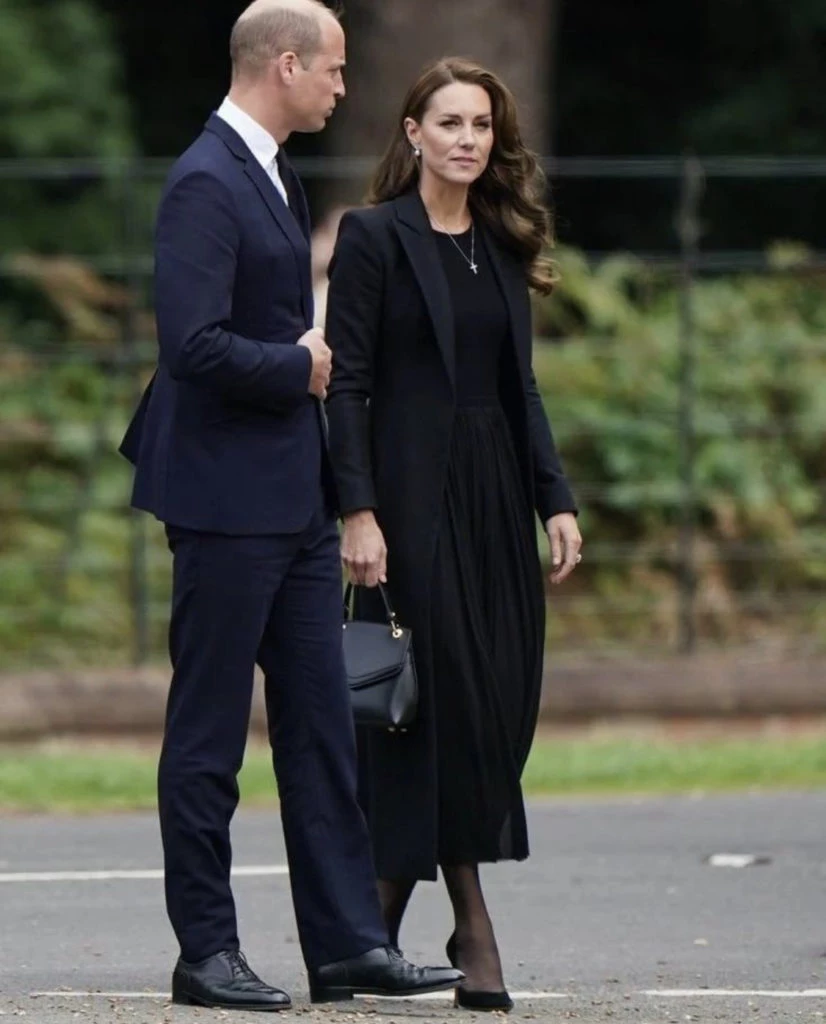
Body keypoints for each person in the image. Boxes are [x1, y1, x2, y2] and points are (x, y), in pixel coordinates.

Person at [118, 1, 462, 1011]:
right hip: (224, 503)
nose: (345, 88)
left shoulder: (268, 167)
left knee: (322, 725)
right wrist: (302, 362)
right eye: (336, 71)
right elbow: (190, 346)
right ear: (285, 63)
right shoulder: (203, 181)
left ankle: (349, 942)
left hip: (293, 503)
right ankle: (206, 951)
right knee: (209, 735)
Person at [325, 57, 583, 1012]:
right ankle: (472, 926)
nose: (468, 139)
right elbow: (346, 384)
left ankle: (374, 918)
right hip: (408, 504)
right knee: (440, 708)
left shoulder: (502, 243)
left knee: (498, 706)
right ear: (412, 133)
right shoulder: (374, 238)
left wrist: (554, 497)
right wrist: (358, 511)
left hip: (494, 502)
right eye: (450, 122)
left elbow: (521, 389)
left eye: (482, 125)